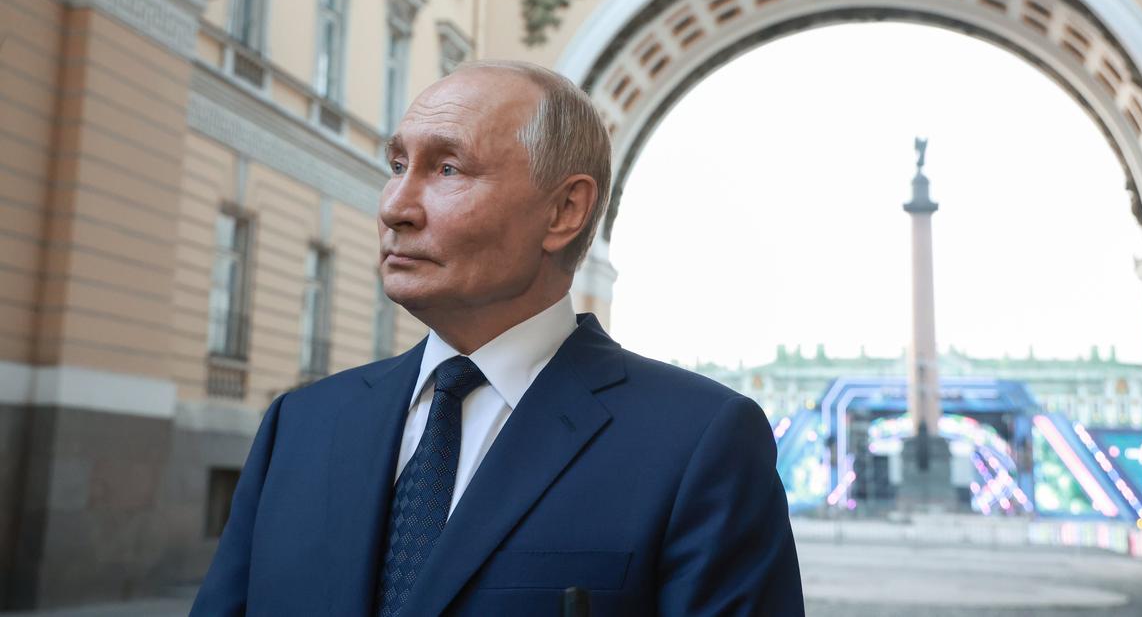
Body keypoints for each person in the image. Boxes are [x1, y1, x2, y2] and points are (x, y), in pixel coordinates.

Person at [191, 60, 805, 616]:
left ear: (564, 211)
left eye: (448, 168)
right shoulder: (299, 426)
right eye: (398, 166)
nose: (395, 207)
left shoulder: (699, 444)